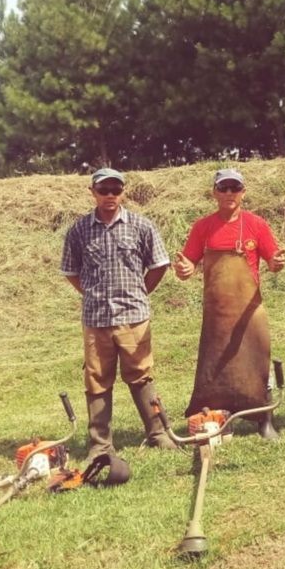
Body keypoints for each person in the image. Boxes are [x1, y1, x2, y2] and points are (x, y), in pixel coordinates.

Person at [60, 167, 176, 458]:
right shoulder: (79, 230)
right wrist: (90, 294)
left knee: (141, 375)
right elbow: (70, 271)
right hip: (96, 319)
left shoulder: (141, 225)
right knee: (97, 379)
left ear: (123, 192)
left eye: (116, 190)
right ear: (93, 193)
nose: (110, 195)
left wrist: (140, 292)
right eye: (103, 190)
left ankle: (158, 433)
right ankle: (100, 444)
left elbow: (159, 264)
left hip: (133, 316)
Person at [173, 168, 285, 439]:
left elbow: (272, 262)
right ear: (214, 192)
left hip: (249, 309)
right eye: (222, 188)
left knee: (258, 360)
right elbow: (188, 262)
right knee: (216, 366)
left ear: (243, 192)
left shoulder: (256, 225)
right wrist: (184, 269)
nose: (228, 193)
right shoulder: (203, 227)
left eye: (234, 188)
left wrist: (276, 263)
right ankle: (222, 420)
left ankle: (265, 421)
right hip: (216, 312)